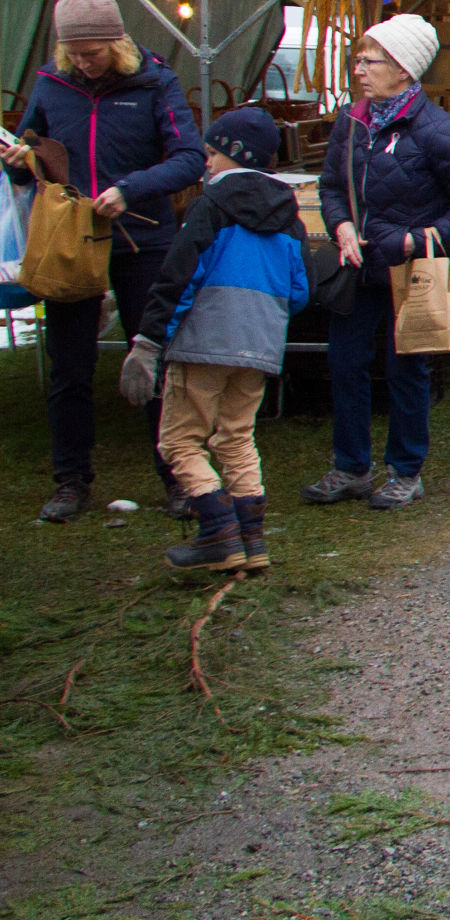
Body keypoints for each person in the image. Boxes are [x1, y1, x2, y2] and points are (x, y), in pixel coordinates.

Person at [4, 0, 205, 523]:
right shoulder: (52, 83)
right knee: (69, 364)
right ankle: (70, 481)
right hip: (71, 239)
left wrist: (131, 189)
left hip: (143, 238)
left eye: (93, 52)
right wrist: (20, 163)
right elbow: (32, 153)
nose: (84, 63)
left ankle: (180, 478)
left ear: (117, 43)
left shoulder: (155, 83)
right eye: (75, 53)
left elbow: (189, 158)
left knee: (156, 358)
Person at [307, 14, 450, 511]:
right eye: (360, 59)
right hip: (356, 267)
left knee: (405, 369)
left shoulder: (438, 132)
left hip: (409, 272)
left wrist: (419, 241)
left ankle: (406, 470)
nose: (360, 69)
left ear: (405, 71)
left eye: (371, 60)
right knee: (344, 363)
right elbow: (330, 186)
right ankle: (351, 467)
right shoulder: (352, 121)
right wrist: (341, 226)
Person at [128, 108, 306, 573]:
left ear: (232, 154)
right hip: (260, 345)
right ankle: (253, 542)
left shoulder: (209, 206)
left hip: (204, 340)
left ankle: (218, 534)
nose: (205, 163)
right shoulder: (290, 213)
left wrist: (149, 339)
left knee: (179, 443)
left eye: (210, 153)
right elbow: (299, 291)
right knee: (237, 437)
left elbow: (179, 277)